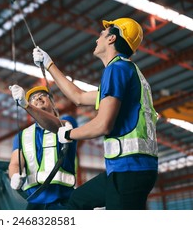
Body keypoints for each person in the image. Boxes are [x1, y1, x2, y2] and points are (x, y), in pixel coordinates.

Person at [31, 17, 158, 210]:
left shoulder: (117, 69)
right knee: (77, 202)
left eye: (101, 34)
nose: (96, 39)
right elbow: (79, 97)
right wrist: (49, 64)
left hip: (129, 170)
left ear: (111, 39)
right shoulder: (126, 71)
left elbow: (103, 124)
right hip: (128, 169)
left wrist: (68, 134)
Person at [8, 85, 78, 210]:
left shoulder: (66, 123)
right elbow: (15, 163)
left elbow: (56, 125)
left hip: (63, 201)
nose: (38, 98)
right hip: (34, 203)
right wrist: (14, 176)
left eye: (42, 95)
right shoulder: (22, 135)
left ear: (52, 102)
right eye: (33, 98)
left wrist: (26, 105)